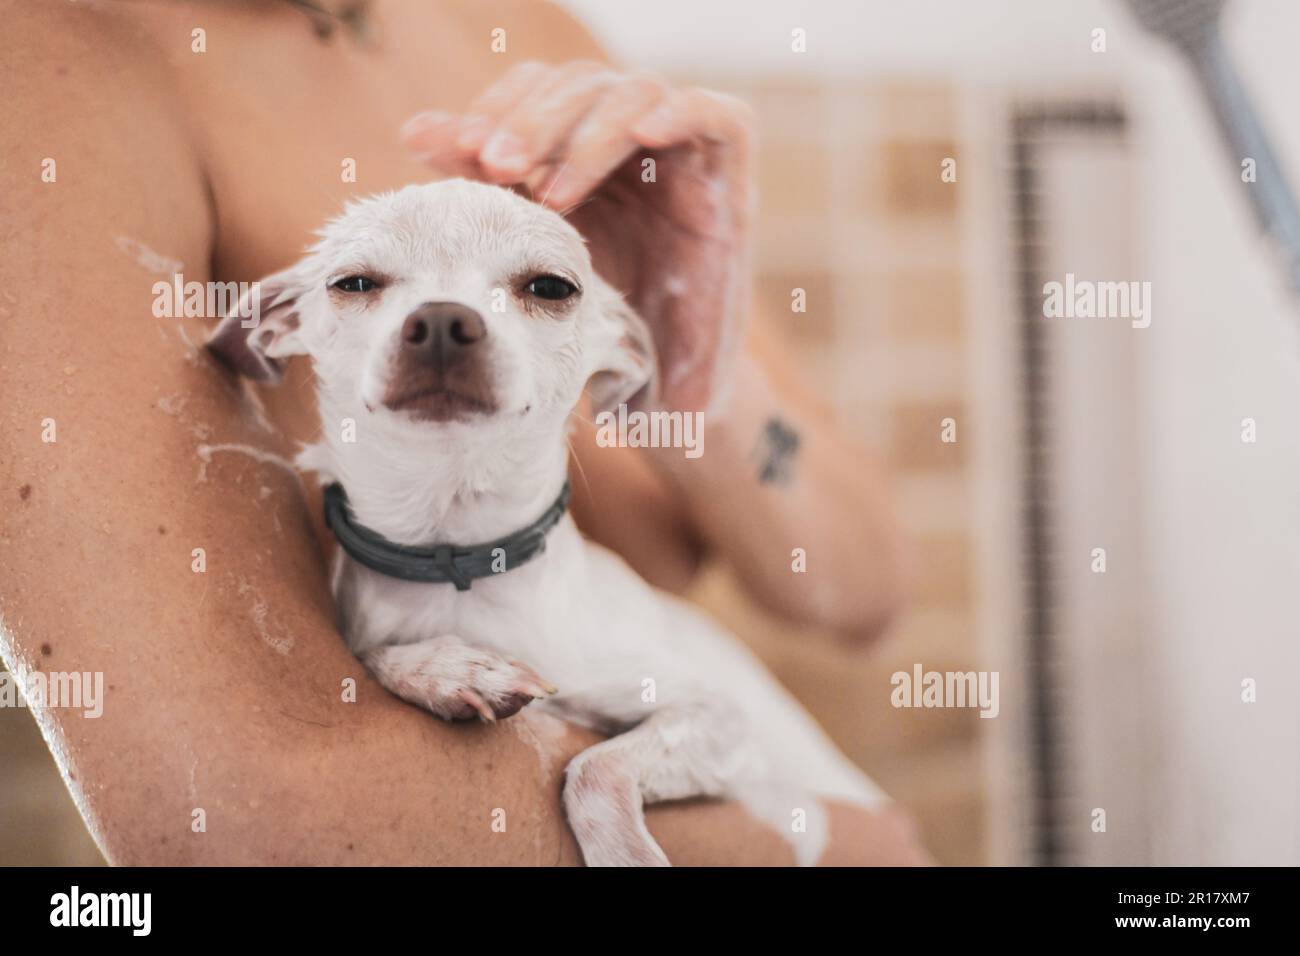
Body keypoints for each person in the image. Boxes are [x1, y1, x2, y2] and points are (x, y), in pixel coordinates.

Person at [0, 0, 921, 865]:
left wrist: (692, 365)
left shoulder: (527, 23)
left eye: (545, 290)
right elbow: (249, 820)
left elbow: (859, 585)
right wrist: (840, 848)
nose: (447, 326)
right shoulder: (57, 63)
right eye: (364, 286)